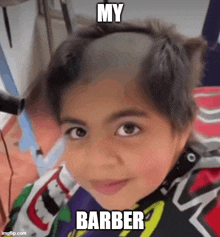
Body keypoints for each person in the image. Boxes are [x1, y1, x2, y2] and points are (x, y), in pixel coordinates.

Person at [4, 18, 220, 237]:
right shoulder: (55, 194)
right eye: (79, 131)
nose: (96, 162)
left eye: (128, 129)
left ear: (181, 127)